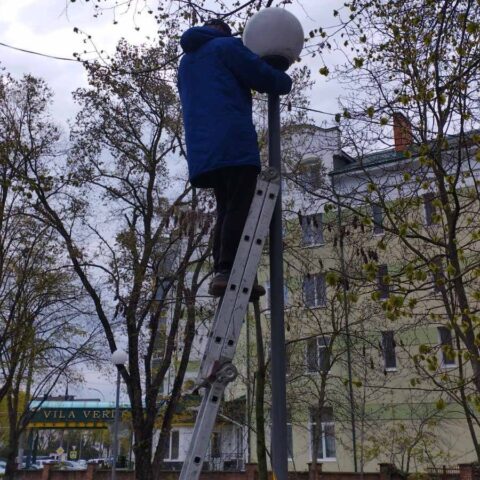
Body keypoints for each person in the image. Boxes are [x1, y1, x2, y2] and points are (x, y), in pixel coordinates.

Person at [178, 18, 292, 298]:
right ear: (223, 32)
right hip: (233, 142)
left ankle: (225, 271)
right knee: (240, 206)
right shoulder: (226, 46)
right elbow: (262, 76)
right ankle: (231, 271)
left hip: (204, 153)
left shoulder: (186, 62)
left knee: (227, 207)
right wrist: (283, 77)